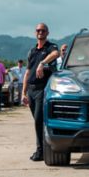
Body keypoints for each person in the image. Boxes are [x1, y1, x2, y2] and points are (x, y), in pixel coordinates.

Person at [24, 23, 62, 162]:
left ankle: (40, 151)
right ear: (35, 33)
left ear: (47, 32)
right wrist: (23, 92)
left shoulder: (50, 47)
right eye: (38, 30)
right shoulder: (32, 51)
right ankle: (44, 148)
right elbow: (28, 72)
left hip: (42, 89)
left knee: (39, 121)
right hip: (31, 90)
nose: (40, 32)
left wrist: (42, 63)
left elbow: (56, 54)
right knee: (37, 121)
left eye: (43, 30)